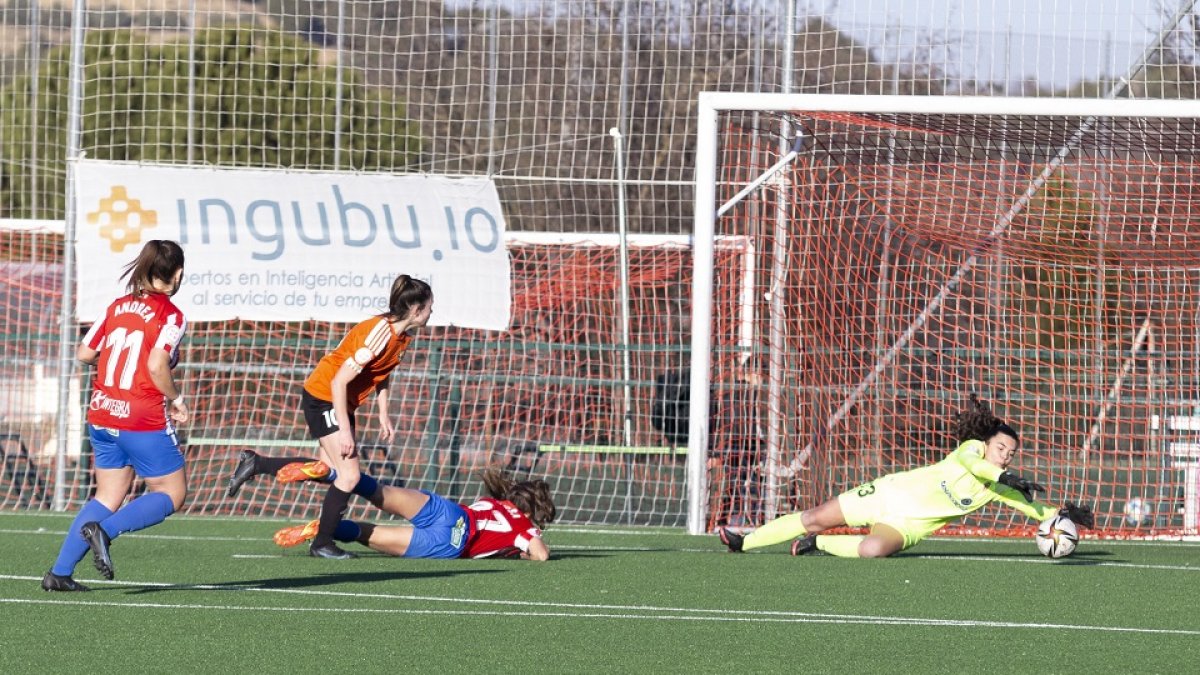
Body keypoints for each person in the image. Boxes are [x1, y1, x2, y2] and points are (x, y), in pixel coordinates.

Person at [719, 394, 1095, 558]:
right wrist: (1007, 477)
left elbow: (1033, 510)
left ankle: (818, 545)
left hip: (908, 525)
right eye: (1001, 449)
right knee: (815, 516)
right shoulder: (970, 451)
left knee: (872, 550)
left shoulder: (995, 488)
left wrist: (1063, 514)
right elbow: (976, 466)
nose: (1004, 457)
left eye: (1010, 454)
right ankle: (745, 542)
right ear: (987, 443)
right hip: (887, 494)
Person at [226, 275, 433, 559]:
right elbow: (338, 381)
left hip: (337, 401)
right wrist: (345, 431)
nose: (432, 312)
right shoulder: (379, 335)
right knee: (349, 476)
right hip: (325, 395)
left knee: (327, 470)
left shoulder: (401, 338)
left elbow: (381, 373)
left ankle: (257, 463)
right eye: (429, 307)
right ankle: (322, 543)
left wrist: (383, 412)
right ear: (416, 309)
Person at [42, 240, 189, 591]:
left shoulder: (117, 306)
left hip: (103, 412)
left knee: (107, 495)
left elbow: (84, 353)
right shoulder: (171, 315)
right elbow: (156, 365)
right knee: (172, 492)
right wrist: (177, 399)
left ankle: (59, 573)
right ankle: (104, 532)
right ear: (178, 273)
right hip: (140, 417)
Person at [269, 465, 554, 561]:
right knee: (367, 532)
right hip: (451, 542)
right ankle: (324, 528)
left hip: (451, 512)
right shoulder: (522, 526)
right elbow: (541, 554)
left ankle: (332, 473)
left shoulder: (492, 503)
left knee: (379, 492)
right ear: (530, 509)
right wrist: (523, 553)